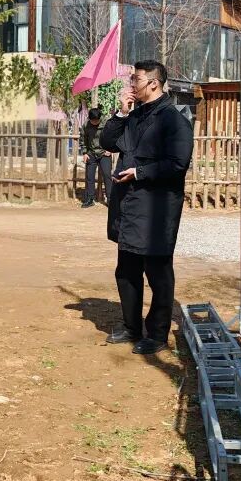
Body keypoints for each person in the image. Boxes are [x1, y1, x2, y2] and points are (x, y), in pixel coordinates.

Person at [100, 60, 194, 355]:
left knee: (158, 273)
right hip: (128, 205)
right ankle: (131, 327)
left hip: (156, 210)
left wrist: (140, 173)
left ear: (153, 83)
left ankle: (156, 334)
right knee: (126, 270)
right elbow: (108, 142)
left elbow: (178, 164)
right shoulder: (134, 115)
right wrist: (121, 113)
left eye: (136, 80)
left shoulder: (173, 120)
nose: (131, 85)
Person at [80, 108, 113, 208]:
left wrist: (110, 148)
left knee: (107, 175)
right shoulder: (86, 125)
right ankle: (90, 199)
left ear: (100, 118)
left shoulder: (107, 123)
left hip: (104, 153)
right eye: (93, 121)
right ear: (89, 119)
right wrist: (85, 152)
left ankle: (110, 199)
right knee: (89, 177)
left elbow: (112, 136)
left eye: (96, 121)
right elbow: (83, 139)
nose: (95, 122)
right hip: (91, 153)